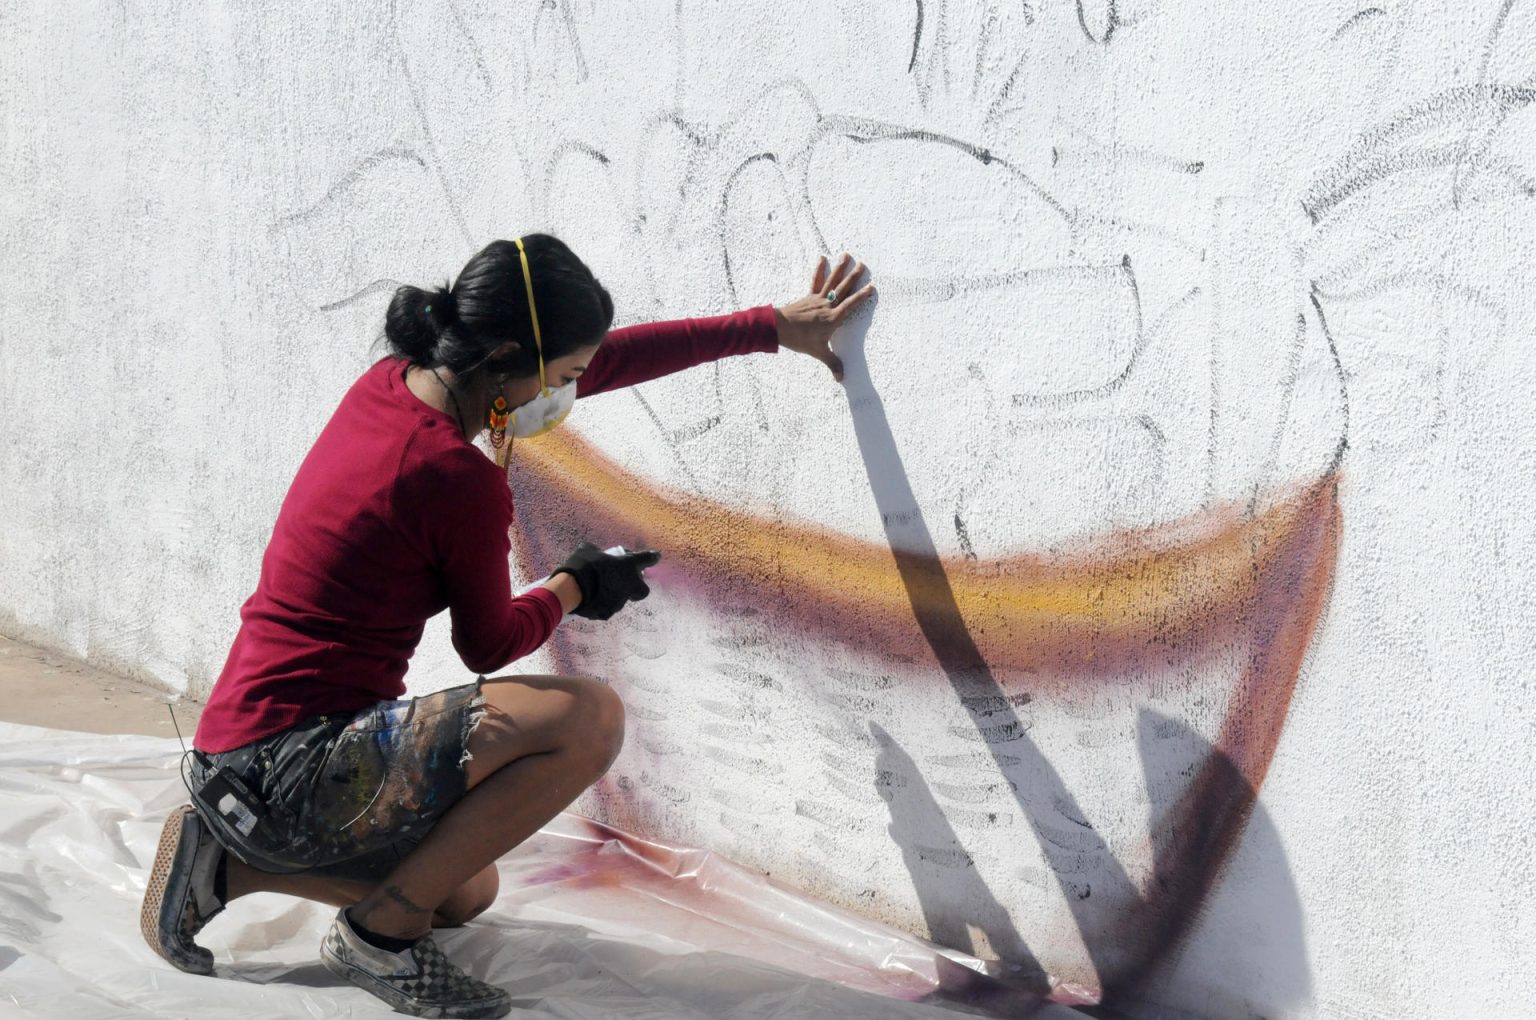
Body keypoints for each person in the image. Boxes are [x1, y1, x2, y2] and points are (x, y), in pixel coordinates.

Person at [139, 233, 875, 1019]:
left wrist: (767, 327)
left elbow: (606, 360)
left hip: (248, 748)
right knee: (587, 717)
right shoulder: (452, 475)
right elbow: (487, 645)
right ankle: (376, 942)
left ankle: (226, 866)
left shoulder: (391, 385)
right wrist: (572, 586)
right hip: (294, 761)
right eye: (562, 377)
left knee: (462, 891)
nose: (570, 393)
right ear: (506, 356)